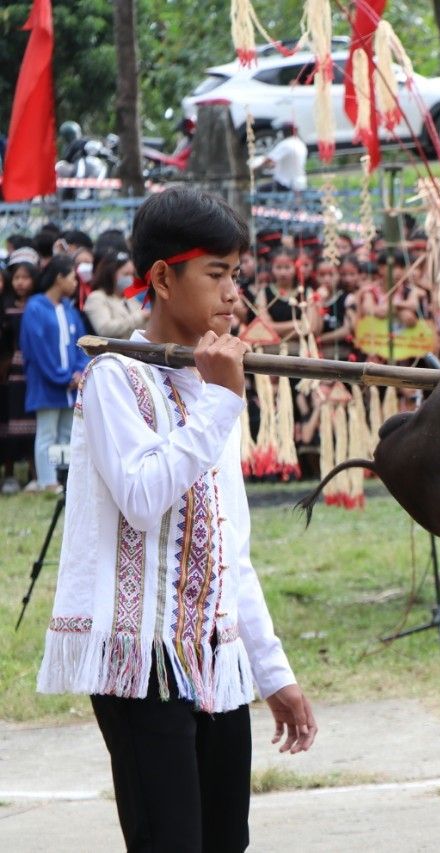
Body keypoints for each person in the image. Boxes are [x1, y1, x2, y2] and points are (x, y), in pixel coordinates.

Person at [35, 188, 317, 852]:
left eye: (236, 274)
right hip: (143, 662)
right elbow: (141, 493)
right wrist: (222, 401)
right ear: (163, 277)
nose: (233, 294)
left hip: (215, 659)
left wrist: (272, 672)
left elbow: (230, 552)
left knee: (225, 840)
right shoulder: (114, 377)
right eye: (216, 273)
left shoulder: (206, 382)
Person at [19, 254, 90, 492]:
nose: (75, 284)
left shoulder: (70, 310)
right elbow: (36, 349)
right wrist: (61, 376)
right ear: (59, 278)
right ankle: (47, 481)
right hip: (47, 385)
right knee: (47, 432)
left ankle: (62, 477)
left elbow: (82, 344)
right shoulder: (36, 307)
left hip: (70, 385)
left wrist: (79, 371)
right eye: (72, 278)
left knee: (66, 432)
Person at [0, 247, 38, 492]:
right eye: (16, 277)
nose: (21, 282)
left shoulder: (38, 306)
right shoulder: (7, 307)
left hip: (33, 370)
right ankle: (10, 473)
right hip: (12, 370)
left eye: (26, 277)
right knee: (10, 420)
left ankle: (36, 473)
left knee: (34, 422)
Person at [83, 250, 148, 338]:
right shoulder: (97, 298)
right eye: (126, 274)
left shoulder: (130, 299)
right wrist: (139, 317)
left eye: (132, 274)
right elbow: (105, 329)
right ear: (110, 274)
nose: (130, 278)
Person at [262, 120, 308, 193]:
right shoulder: (301, 144)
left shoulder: (285, 144)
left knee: (257, 191)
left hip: (285, 183)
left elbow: (268, 160)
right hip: (300, 182)